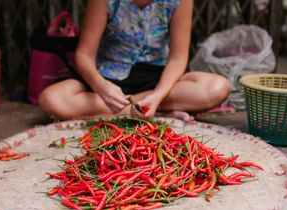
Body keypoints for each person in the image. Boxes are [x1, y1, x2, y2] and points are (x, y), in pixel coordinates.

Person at [39, 0, 231, 121]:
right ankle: (154, 113)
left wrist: (157, 96)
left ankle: (148, 107)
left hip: (157, 81)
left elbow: (178, 58)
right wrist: (102, 88)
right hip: (109, 80)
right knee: (51, 99)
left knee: (217, 87)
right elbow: (84, 55)